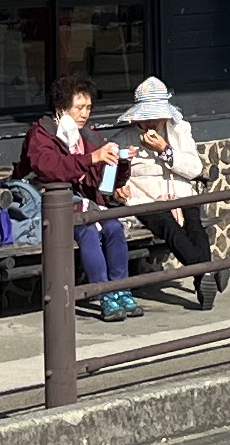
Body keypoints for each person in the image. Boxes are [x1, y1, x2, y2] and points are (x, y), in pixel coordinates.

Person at [15, 76, 140, 320]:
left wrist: (121, 163)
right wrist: (91, 158)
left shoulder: (89, 137)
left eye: (89, 107)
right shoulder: (40, 134)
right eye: (79, 107)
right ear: (61, 107)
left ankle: (121, 289)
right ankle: (103, 293)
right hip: (48, 207)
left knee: (114, 227)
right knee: (87, 231)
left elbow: (105, 182)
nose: (85, 114)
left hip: (87, 204)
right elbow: (49, 169)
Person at [115, 76, 227, 308]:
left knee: (195, 227)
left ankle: (203, 277)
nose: (153, 122)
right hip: (147, 200)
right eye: (147, 117)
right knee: (169, 227)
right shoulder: (122, 140)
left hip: (182, 194)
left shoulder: (180, 131)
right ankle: (208, 271)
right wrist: (119, 188)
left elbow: (194, 169)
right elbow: (111, 178)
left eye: (157, 116)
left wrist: (165, 150)